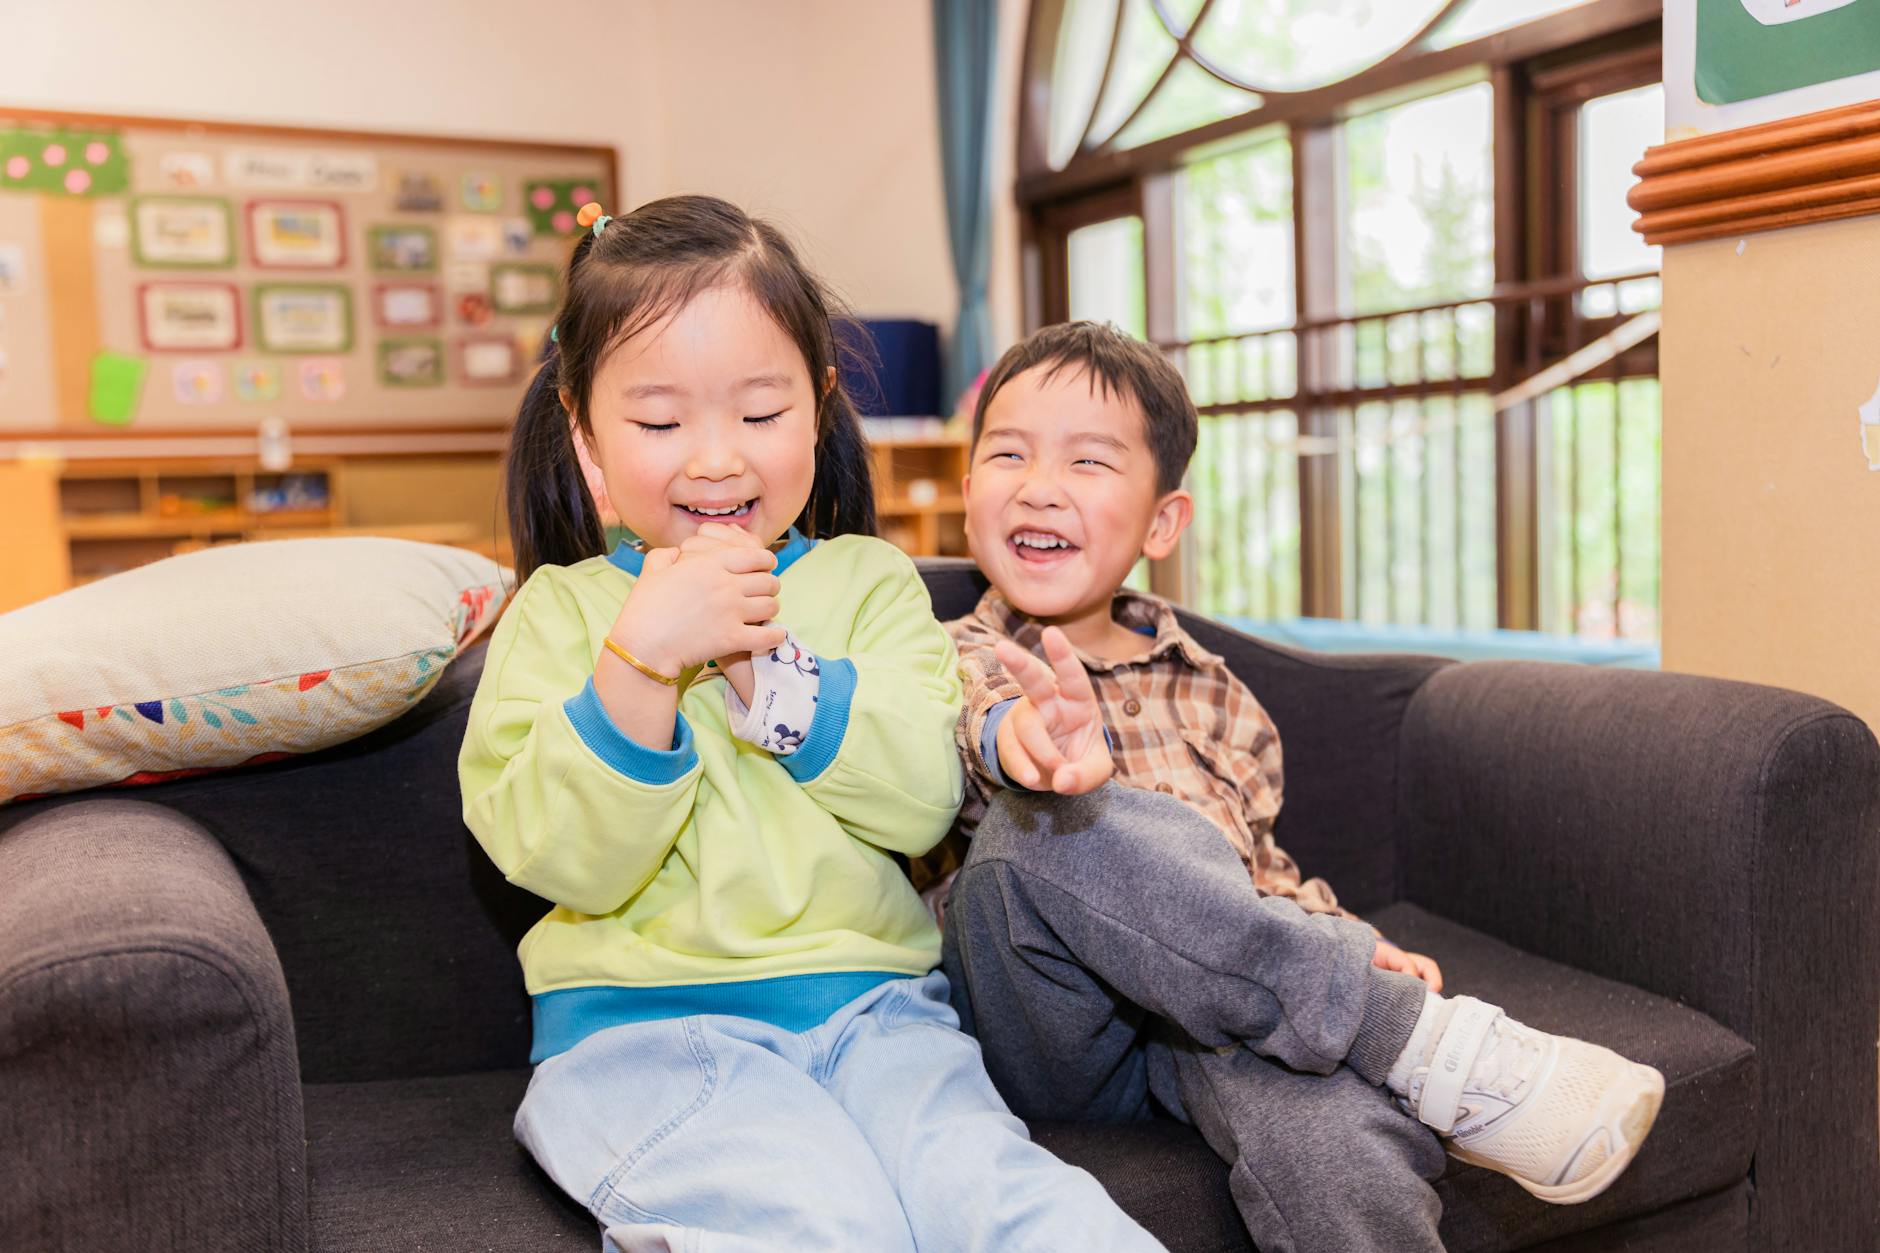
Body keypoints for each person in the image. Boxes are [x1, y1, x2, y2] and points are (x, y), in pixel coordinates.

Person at [460, 198, 1164, 1252]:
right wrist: (643, 661)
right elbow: (564, 862)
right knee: (813, 1221)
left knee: (1024, 1210)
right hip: (641, 1032)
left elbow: (918, 800)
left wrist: (761, 665)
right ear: (585, 432)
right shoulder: (560, 613)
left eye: (759, 413)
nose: (713, 459)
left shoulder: (868, 582)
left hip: (882, 1018)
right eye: (658, 423)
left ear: (820, 403)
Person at [934, 320, 1665, 1252]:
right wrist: (1020, 748)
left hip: (1211, 1021)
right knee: (1043, 826)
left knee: (1330, 1132)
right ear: (969, 496)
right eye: (1009, 454)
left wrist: (1349, 939)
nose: (1039, 485)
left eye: (1088, 461)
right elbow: (955, 740)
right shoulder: (941, 656)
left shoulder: (1214, 689)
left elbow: (1260, 867)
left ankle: (1379, 1030)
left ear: (1163, 521)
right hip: (1051, 1027)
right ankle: (1414, 1037)